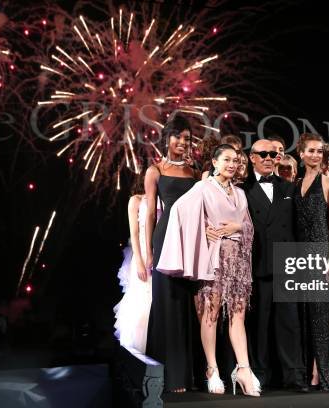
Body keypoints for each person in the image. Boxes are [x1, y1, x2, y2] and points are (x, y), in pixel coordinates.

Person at [157, 144, 260, 397]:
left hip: (238, 261)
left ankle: (244, 369)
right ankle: (212, 369)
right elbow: (178, 211)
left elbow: (249, 228)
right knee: (210, 314)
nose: (232, 164)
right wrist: (201, 230)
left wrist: (237, 226)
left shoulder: (240, 193)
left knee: (238, 315)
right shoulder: (202, 187)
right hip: (214, 259)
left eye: (235, 160)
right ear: (214, 162)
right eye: (226, 159)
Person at [242, 139, 308, 392]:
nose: (269, 157)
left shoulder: (288, 187)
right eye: (263, 154)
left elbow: (298, 227)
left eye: (273, 154)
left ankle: (294, 376)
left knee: (290, 323)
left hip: (286, 265)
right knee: (259, 324)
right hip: (257, 265)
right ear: (252, 158)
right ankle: (260, 376)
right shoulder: (241, 190)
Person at [144, 116, 199, 393]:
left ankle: (190, 374)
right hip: (165, 239)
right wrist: (148, 251)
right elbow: (151, 214)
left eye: (187, 138)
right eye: (178, 137)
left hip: (191, 241)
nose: (182, 142)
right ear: (167, 138)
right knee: (167, 303)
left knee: (188, 304)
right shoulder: (155, 170)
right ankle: (169, 375)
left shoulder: (195, 171)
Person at [294, 134, 329, 391]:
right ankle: (309, 373)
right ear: (301, 153)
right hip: (299, 255)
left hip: (321, 251)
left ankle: (326, 378)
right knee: (303, 315)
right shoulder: (296, 182)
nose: (316, 155)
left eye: (320, 151)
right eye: (311, 150)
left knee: (321, 316)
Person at [113, 174, 160, 352]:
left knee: (155, 299)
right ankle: (139, 347)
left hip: (160, 253)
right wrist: (139, 261)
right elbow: (134, 233)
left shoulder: (159, 199)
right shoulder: (136, 200)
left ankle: (155, 344)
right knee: (142, 298)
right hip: (141, 254)